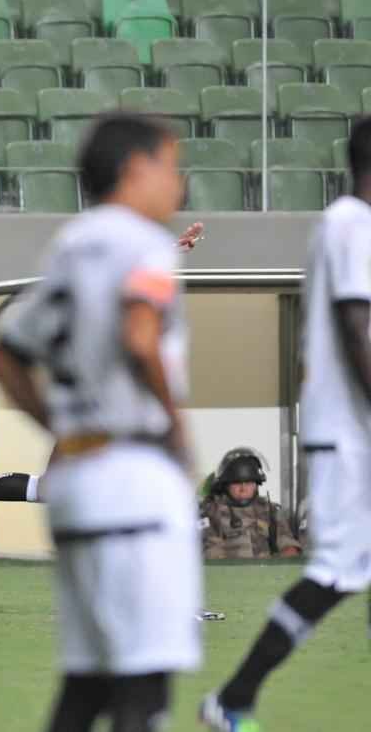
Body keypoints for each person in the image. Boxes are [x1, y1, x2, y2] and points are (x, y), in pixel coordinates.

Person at [0, 113, 202, 731]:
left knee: (87, 683)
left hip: (78, 476)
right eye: (172, 164)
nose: (178, 180)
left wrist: (60, 424)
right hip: (134, 470)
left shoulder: (71, 244)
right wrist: (175, 424)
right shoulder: (145, 241)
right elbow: (140, 334)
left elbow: (4, 352)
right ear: (137, 168)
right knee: (144, 681)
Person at [200, 118, 371, 732]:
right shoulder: (352, 224)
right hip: (350, 440)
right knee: (332, 578)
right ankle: (233, 698)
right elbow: (357, 332)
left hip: (356, 434)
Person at [0, 221, 205, 534]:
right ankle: (183, 519)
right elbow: (3, 357)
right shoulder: (89, 294)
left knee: (53, 488)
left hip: (99, 406)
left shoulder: (105, 292)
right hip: (99, 407)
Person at [199, 447, 303, 560]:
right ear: (226, 484)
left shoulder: (270, 511)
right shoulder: (211, 512)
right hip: (229, 576)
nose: (243, 488)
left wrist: (269, 569)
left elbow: (290, 549)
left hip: (268, 575)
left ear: (257, 484)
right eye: (237, 483)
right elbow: (212, 556)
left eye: (248, 482)